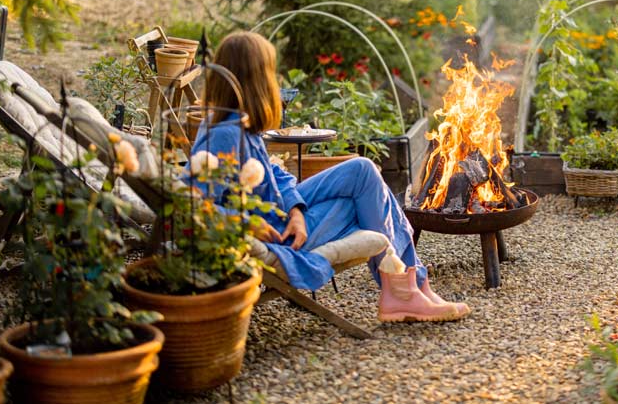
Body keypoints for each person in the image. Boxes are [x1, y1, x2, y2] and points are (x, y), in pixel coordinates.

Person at [190, 31, 470, 322]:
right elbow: (196, 202)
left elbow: (274, 172)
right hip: (279, 235)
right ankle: (406, 289)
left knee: (362, 170)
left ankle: (411, 288)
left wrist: (296, 209)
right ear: (255, 79)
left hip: (284, 216)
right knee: (363, 203)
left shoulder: (238, 123)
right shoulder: (223, 135)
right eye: (270, 73)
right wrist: (246, 222)